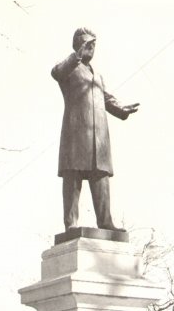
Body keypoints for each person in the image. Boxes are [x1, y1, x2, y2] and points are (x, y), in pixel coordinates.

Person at [51, 27, 139, 231]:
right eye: (87, 44)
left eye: (93, 45)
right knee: (73, 175)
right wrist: (76, 56)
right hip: (76, 133)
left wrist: (121, 109)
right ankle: (71, 223)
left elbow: (106, 98)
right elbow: (56, 72)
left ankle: (106, 222)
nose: (91, 48)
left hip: (99, 136)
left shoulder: (97, 76)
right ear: (78, 46)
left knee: (100, 175)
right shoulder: (68, 69)